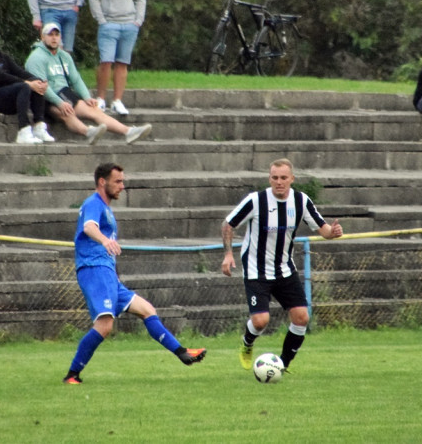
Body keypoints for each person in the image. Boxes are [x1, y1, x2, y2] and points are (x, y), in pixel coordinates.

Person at [63, 163, 207, 384]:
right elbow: (89, 228)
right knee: (104, 325)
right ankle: (72, 375)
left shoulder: (105, 207)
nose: (122, 186)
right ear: (103, 182)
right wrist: (105, 240)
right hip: (95, 269)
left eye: (123, 181)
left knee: (147, 310)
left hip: (106, 272)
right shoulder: (94, 203)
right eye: (118, 181)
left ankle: (182, 352)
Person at [221, 158, 343, 372]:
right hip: (256, 270)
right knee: (260, 321)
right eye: (274, 178)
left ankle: (282, 365)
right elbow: (228, 223)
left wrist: (332, 233)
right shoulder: (256, 201)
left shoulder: (301, 201)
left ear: (292, 179)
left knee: (301, 317)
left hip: (285, 269)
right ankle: (247, 343)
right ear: (269, 179)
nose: (279, 182)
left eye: (283, 178)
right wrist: (228, 254)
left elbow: (322, 228)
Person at [24, 23, 152, 144]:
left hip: (65, 93)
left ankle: (128, 131)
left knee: (93, 110)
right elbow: (41, 87)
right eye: (50, 35)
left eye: (56, 35)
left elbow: (76, 79)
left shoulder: (64, 56)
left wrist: (86, 97)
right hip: (45, 98)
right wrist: (59, 102)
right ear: (42, 37)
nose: (54, 38)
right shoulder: (36, 58)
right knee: (66, 113)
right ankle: (89, 132)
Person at [88, 0, 146, 115]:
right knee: (106, 61)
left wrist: (138, 20)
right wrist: (101, 19)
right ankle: (101, 98)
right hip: (109, 22)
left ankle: (118, 100)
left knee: (122, 63)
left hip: (129, 23)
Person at [0, 24, 53, 144]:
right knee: (24, 86)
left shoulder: (2, 56)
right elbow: (2, 77)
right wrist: (28, 83)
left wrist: (38, 81)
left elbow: (19, 72)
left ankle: (39, 126)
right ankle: (23, 130)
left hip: (11, 96)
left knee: (35, 83)